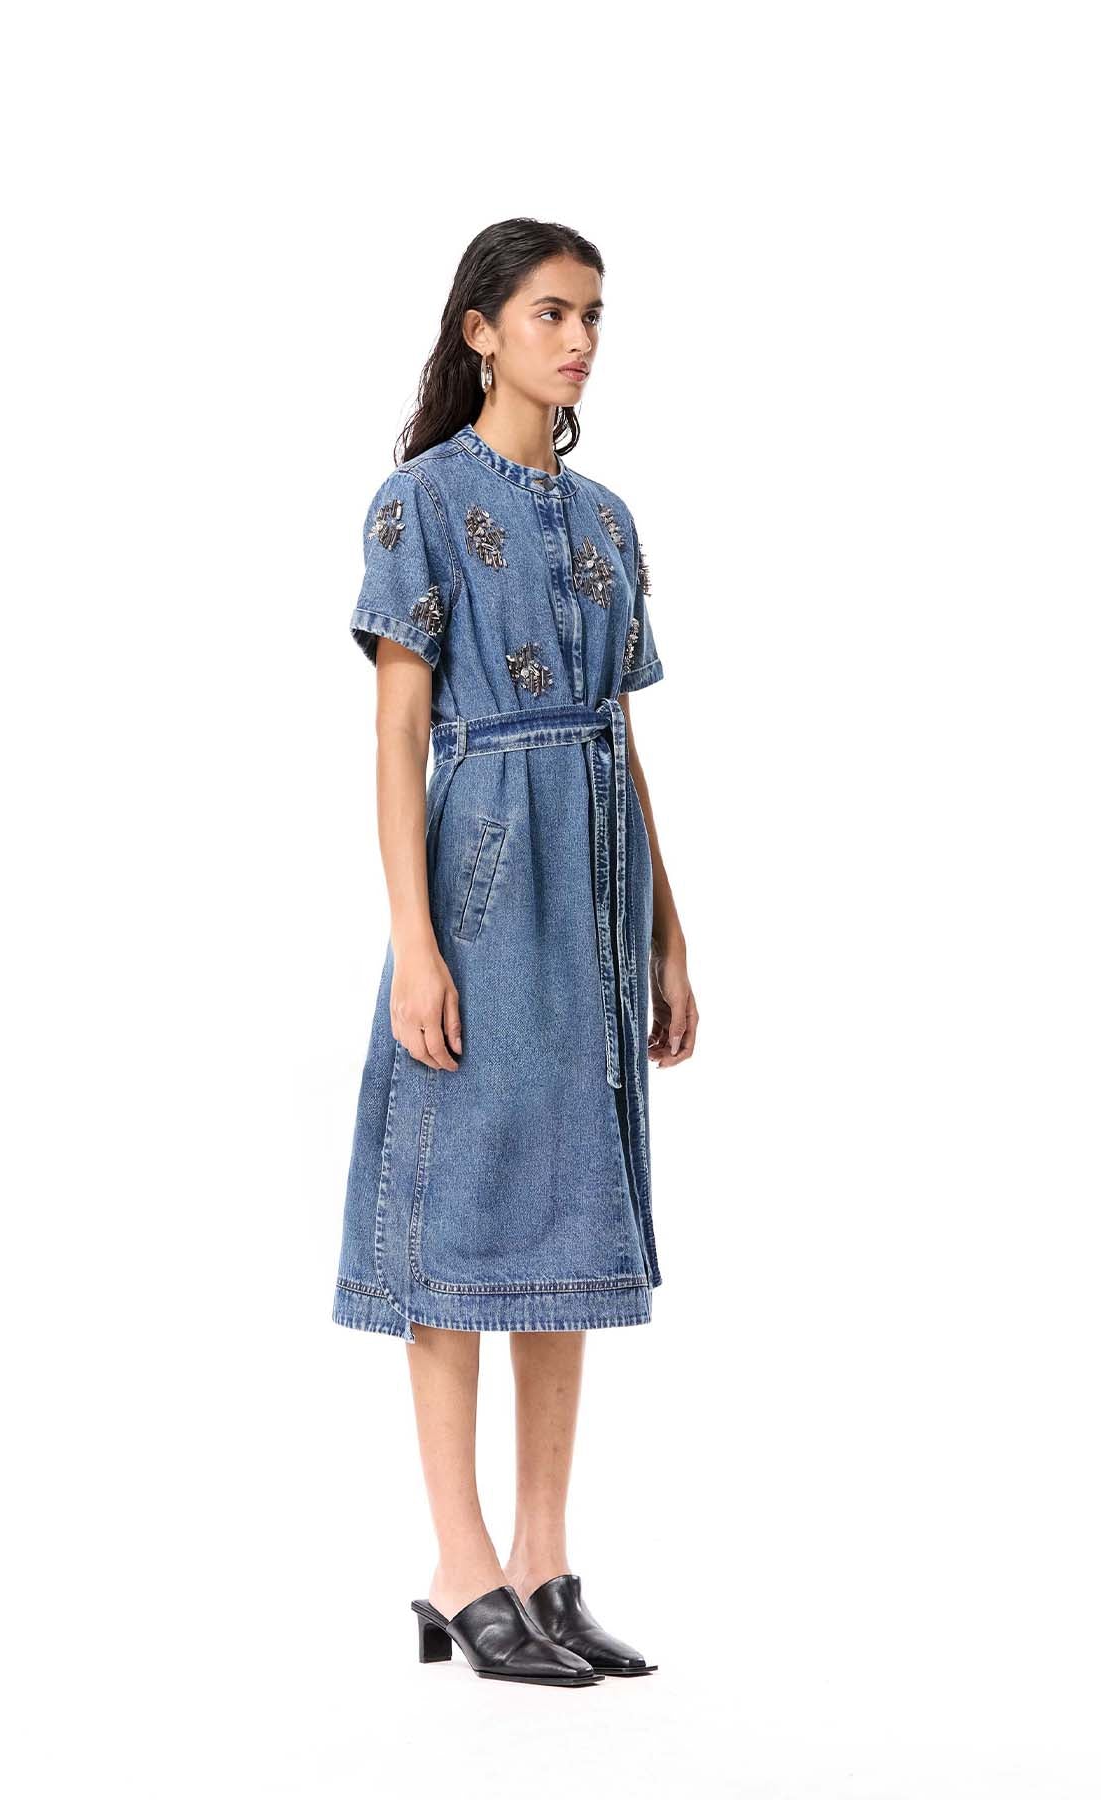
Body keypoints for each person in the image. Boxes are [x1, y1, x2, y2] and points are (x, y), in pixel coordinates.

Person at [331, 218, 697, 1686]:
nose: (581, 339)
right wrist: (414, 941)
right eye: (552, 312)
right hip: (481, 870)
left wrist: (668, 926)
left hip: (598, 883)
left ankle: (542, 1563)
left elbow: (623, 735)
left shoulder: (607, 520)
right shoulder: (418, 502)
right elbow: (397, 730)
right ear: (481, 330)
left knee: (571, 1213)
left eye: (594, 314)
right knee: (458, 1208)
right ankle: (459, 1562)